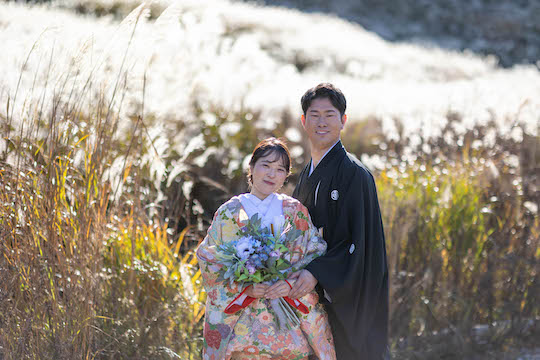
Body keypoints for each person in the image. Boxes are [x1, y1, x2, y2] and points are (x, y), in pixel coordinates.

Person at [197, 138, 336, 360]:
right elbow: (209, 258)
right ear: (251, 168)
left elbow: (315, 251)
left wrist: (292, 283)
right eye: (266, 165)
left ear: (286, 176)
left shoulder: (294, 210)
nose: (272, 174)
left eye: (280, 169)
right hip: (242, 323)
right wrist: (245, 286)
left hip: (287, 315)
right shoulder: (229, 212)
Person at [289, 83, 389, 359]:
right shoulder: (306, 175)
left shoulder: (355, 174)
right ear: (303, 120)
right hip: (311, 298)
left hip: (347, 296)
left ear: (343, 121)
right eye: (315, 114)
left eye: (329, 115)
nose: (322, 122)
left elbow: (358, 242)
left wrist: (317, 272)